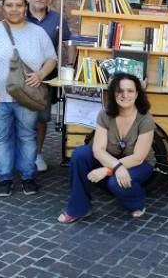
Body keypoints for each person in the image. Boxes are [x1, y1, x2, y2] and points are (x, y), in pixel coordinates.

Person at [0, 0, 57, 197]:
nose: (14, 9)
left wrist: (40, 74)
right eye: (9, 5)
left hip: (27, 97)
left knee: (27, 136)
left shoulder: (37, 32)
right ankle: (5, 178)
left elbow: (52, 58)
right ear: (3, 6)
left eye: (18, 5)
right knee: (0, 137)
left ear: (25, 7)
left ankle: (28, 177)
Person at [58, 73, 155, 223]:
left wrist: (108, 170)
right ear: (113, 93)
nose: (125, 95)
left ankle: (137, 200)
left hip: (139, 164)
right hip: (111, 159)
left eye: (130, 91)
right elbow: (98, 149)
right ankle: (79, 208)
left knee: (115, 182)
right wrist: (117, 166)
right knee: (80, 155)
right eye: (120, 91)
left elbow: (138, 157)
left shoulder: (145, 118)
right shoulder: (105, 114)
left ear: (137, 94)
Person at [25, 0, 74, 172]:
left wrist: (70, 65)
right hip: (21, 75)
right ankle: (18, 154)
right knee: (19, 117)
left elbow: (69, 42)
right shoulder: (20, 17)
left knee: (41, 117)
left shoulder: (57, 18)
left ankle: (36, 154)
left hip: (46, 76)